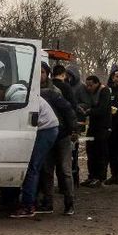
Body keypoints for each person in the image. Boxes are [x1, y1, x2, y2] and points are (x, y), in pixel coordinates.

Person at [36, 62, 78, 215]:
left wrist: (73, 130)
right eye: (37, 72)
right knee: (46, 170)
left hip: (61, 135)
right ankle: (48, 203)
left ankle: (69, 203)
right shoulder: (32, 91)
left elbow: (68, 111)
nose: (39, 75)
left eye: (41, 72)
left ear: (47, 73)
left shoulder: (54, 91)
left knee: (65, 170)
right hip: (45, 136)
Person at [10, 96, 59, 218]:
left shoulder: (17, 97)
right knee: (35, 167)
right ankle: (31, 201)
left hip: (45, 130)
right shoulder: (22, 93)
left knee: (32, 167)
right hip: (48, 129)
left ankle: (28, 206)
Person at [82, 75, 112, 187]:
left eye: (91, 85)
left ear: (96, 83)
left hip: (103, 127)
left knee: (100, 153)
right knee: (90, 151)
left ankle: (100, 177)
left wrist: (89, 111)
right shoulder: (91, 93)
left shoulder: (104, 91)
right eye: (87, 85)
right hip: (93, 126)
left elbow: (102, 110)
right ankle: (91, 176)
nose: (89, 88)